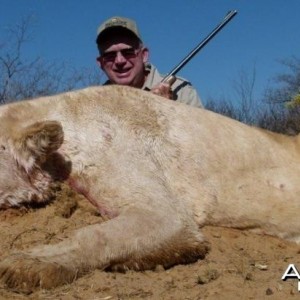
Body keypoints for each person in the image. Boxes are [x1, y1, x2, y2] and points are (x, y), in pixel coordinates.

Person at [96, 16, 203, 108]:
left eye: (128, 52)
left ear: (144, 55)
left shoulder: (182, 91)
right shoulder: (95, 102)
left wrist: (168, 110)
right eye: (110, 56)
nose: (119, 61)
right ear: (100, 63)